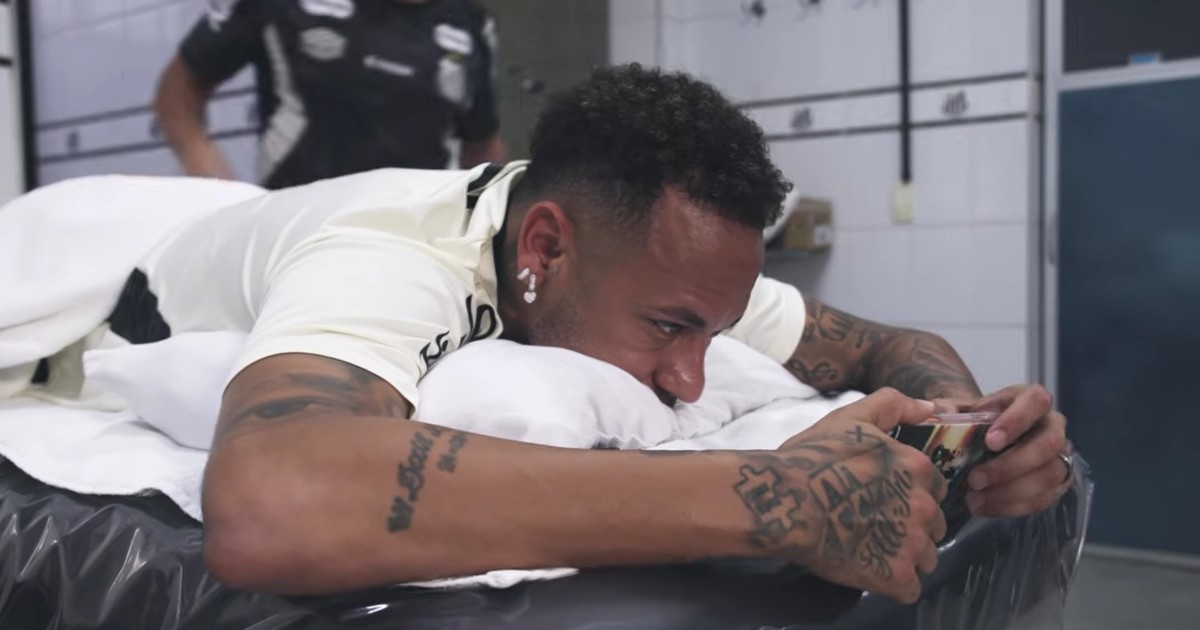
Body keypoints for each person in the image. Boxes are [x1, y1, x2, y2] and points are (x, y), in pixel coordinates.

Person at [25, 65, 1070, 604]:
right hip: (113, 284)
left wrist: (969, 430)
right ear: (545, 247)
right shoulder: (391, 259)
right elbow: (271, 504)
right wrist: (777, 499)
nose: (689, 377)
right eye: (669, 329)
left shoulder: (663, 265)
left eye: (709, 332)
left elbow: (886, 346)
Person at [153, 0, 503, 188]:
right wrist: (217, 186)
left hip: (420, 243)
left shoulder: (470, 25)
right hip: (300, 231)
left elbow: (482, 146)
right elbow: (179, 91)